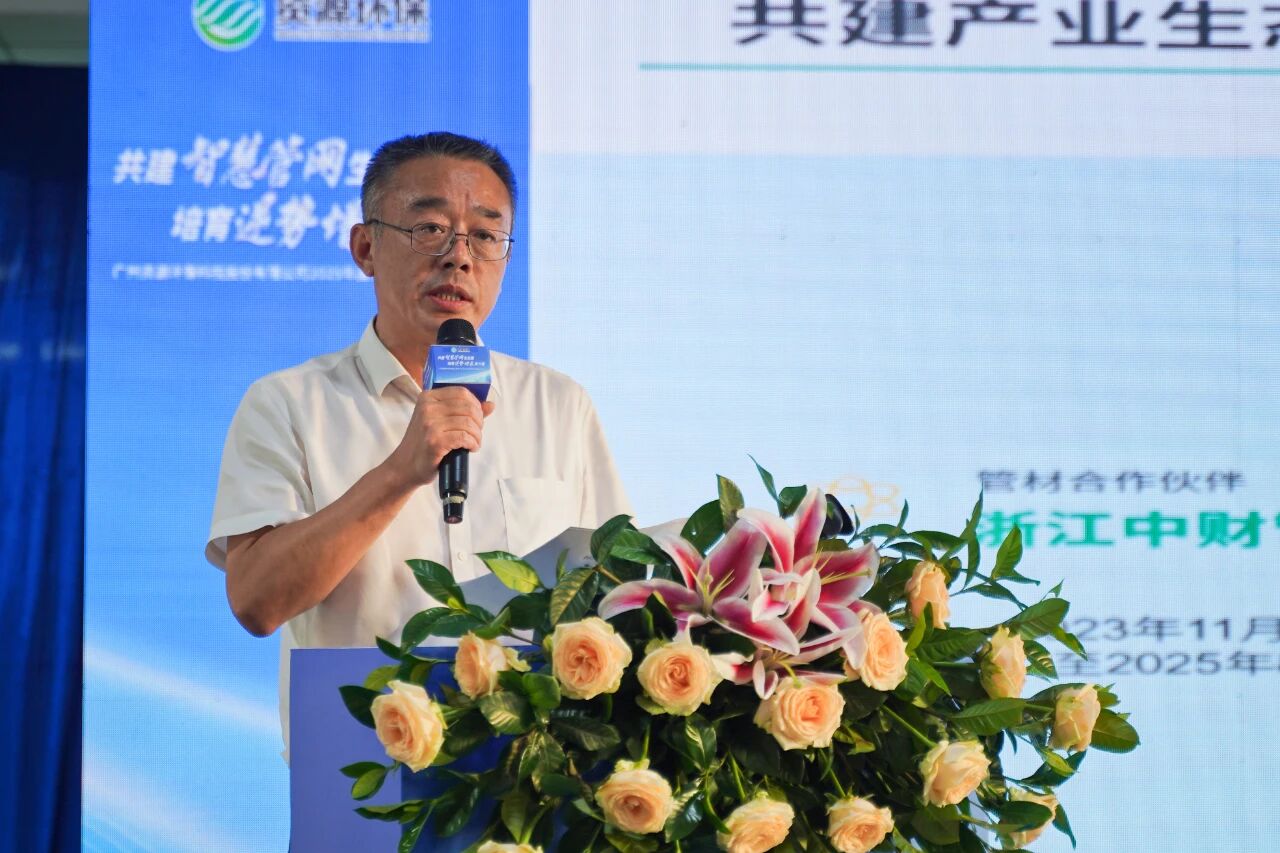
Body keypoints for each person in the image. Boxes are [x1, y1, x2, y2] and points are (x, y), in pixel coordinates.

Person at [205, 132, 631, 751]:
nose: (459, 257)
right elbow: (256, 601)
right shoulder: (288, 403)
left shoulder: (559, 405)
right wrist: (400, 471)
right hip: (362, 763)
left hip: (535, 770)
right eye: (429, 228)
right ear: (365, 247)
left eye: (485, 235)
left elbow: (618, 595)